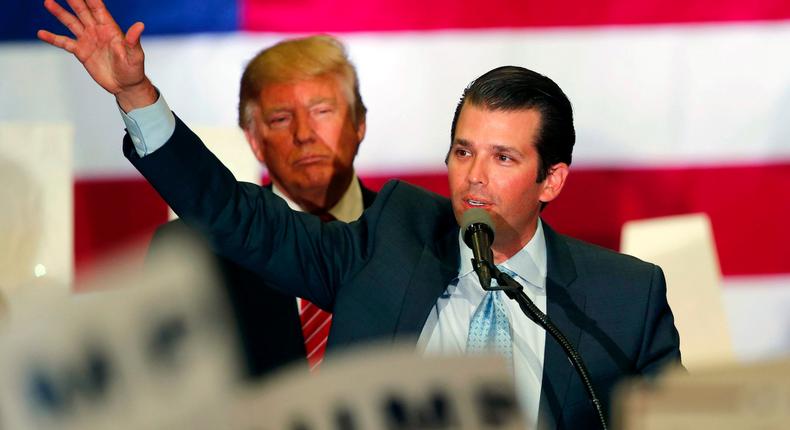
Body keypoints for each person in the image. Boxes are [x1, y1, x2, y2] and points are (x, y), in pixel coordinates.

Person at [39, 1, 681, 428]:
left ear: (552, 180)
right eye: (463, 152)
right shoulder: (389, 240)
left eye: (503, 158)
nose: (475, 177)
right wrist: (136, 96)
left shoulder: (624, 297)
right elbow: (238, 216)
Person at [148, 35, 376, 377]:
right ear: (255, 141)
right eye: (281, 119)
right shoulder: (192, 252)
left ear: (359, 124)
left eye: (322, 111)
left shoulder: (417, 235)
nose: (304, 133)